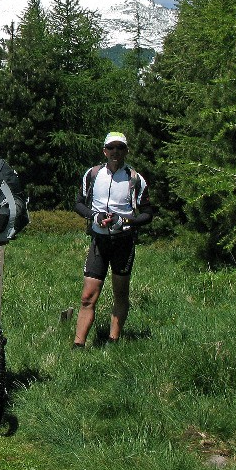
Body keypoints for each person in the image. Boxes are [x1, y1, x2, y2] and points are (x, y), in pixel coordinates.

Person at [72, 131, 153, 347]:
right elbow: (78, 203)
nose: (115, 152)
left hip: (123, 242)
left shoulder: (135, 179)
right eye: (111, 147)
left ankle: (113, 340)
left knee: (120, 293)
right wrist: (94, 216)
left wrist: (126, 221)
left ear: (126, 151)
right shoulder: (93, 174)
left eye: (120, 148)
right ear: (104, 151)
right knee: (88, 295)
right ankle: (78, 345)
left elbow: (147, 213)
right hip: (99, 241)